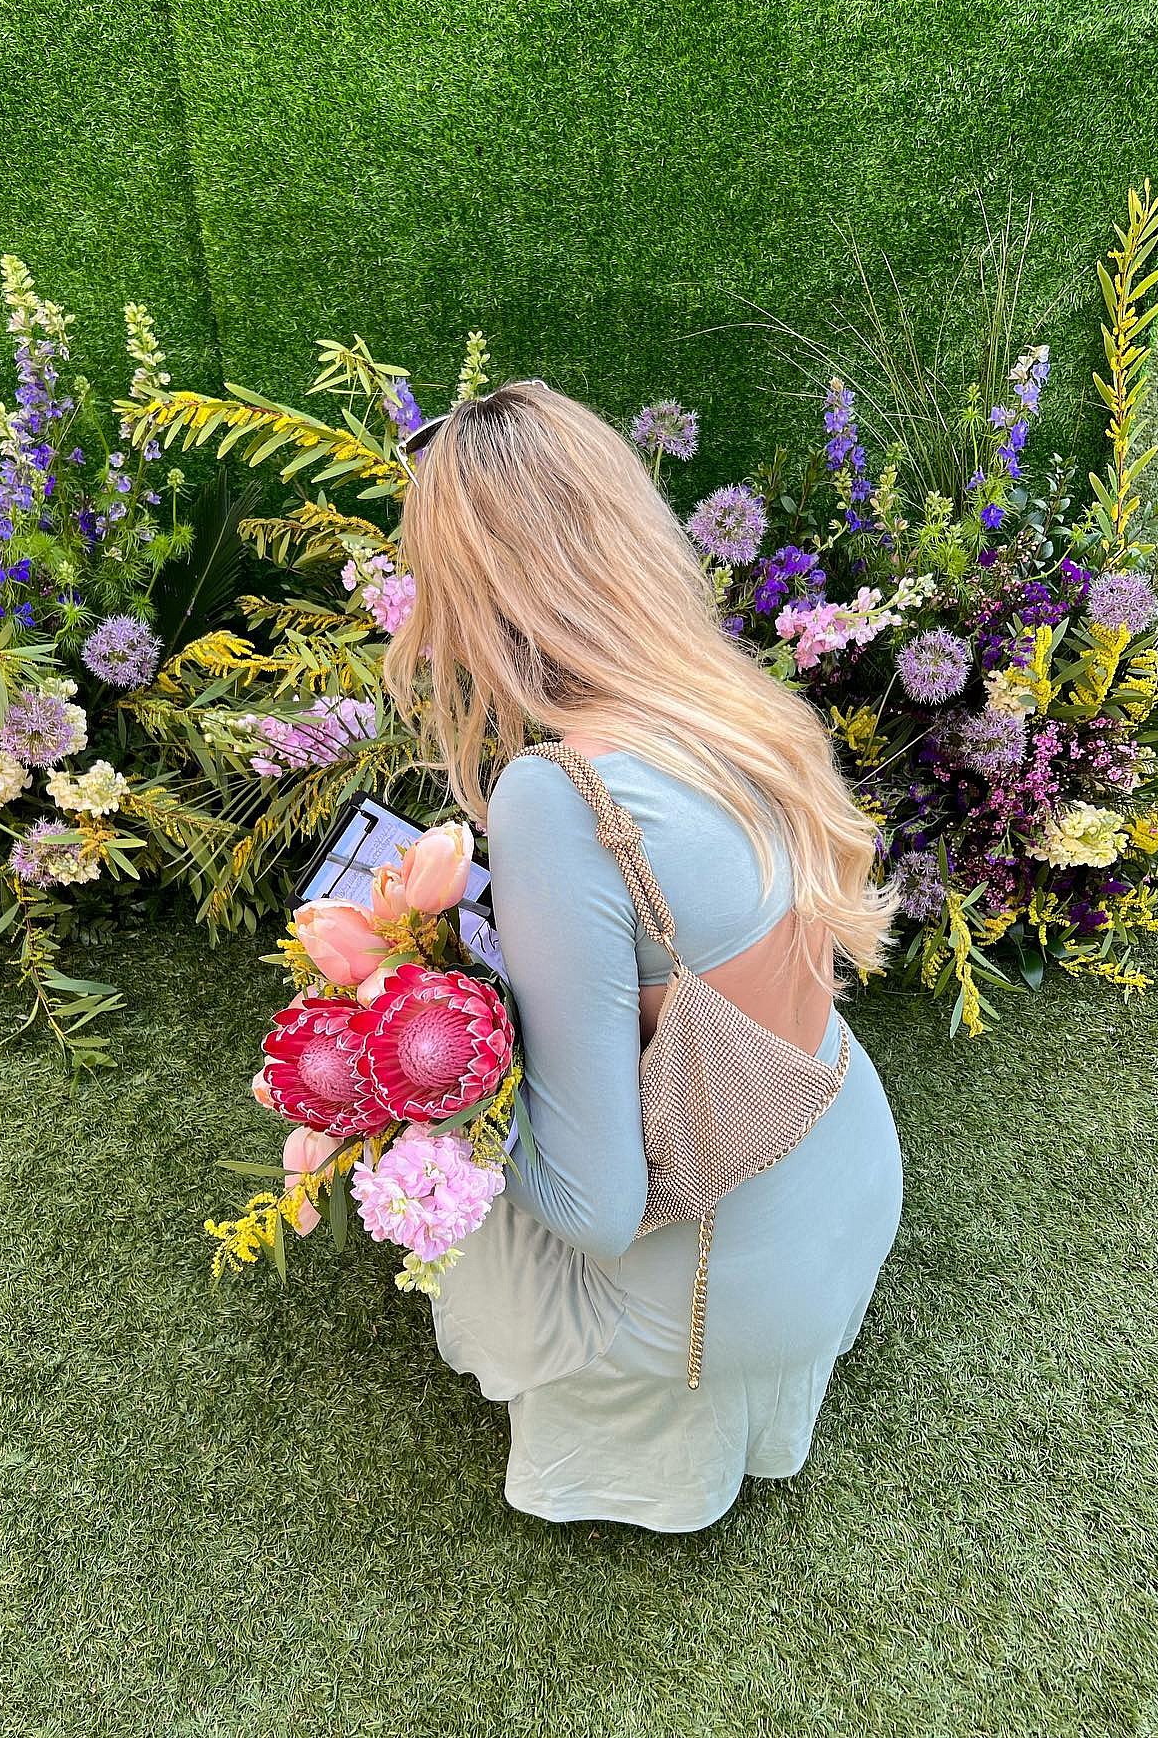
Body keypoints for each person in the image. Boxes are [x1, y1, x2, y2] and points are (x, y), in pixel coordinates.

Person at [384, 381, 903, 1532]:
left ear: (475, 591)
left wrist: (430, 1078)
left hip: (722, 1285)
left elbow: (596, 1208)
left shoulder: (557, 795)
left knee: (429, 1130)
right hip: (842, 1169)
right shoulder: (730, 701)